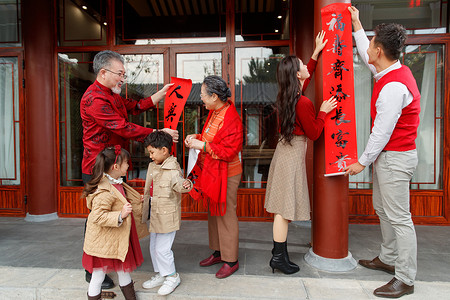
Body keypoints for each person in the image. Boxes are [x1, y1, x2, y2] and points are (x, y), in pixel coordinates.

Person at [80, 50, 178, 288]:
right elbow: (122, 127)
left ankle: (111, 262)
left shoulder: (112, 94)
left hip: (114, 166)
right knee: (98, 217)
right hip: (98, 167)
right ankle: (92, 270)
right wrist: (158, 134)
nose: (123, 79)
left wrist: (160, 95)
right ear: (103, 73)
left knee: (116, 214)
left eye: (124, 74)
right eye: (120, 74)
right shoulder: (94, 98)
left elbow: (133, 106)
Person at [345, 6, 421, 299]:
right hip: (389, 158)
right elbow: (365, 54)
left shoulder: (392, 87)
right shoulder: (391, 70)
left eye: (372, 43)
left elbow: (382, 132)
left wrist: (361, 162)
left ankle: (405, 277)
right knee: (383, 209)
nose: (368, 50)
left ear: (380, 50)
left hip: (395, 158)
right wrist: (357, 24)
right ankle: (388, 259)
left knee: (400, 217)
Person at [264, 31, 337, 275]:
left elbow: (308, 73)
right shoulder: (303, 102)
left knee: (282, 209)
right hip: (292, 155)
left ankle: (280, 256)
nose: (307, 66)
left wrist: (316, 52)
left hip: (285, 153)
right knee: (283, 211)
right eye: (302, 65)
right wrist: (324, 112)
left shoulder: (288, 95)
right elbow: (315, 133)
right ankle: (278, 258)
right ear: (297, 74)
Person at [184, 75, 243, 279]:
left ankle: (231, 260)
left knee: (225, 214)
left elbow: (227, 151)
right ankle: (219, 252)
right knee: (214, 213)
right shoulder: (216, 111)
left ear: (215, 96)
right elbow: (211, 138)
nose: (201, 99)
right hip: (214, 171)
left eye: (203, 95)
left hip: (227, 172)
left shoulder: (231, 117)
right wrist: (196, 137)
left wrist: (203, 145)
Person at [81, 145, 148, 300]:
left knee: (124, 270)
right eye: (126, 163)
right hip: (104, 242)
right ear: (116, 166)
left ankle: (131, 297)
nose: (128, 166)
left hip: (115, 238)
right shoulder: (104, 190)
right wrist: (120, 215)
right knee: (98, 274)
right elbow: (97, 216)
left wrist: (137, 202)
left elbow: (122, 200)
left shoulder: (115, 182)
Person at [141, 131, 192, 295]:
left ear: (164, 150)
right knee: (154, 246)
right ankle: (162, 274)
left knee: (163, 249)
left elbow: (179, 185)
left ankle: (172, 276)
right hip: (156, 214)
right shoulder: (153, 166)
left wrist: (186, 185)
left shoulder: (172, 169)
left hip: (167, 216)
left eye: (152, 152)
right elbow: (150, 187)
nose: (150, 156)